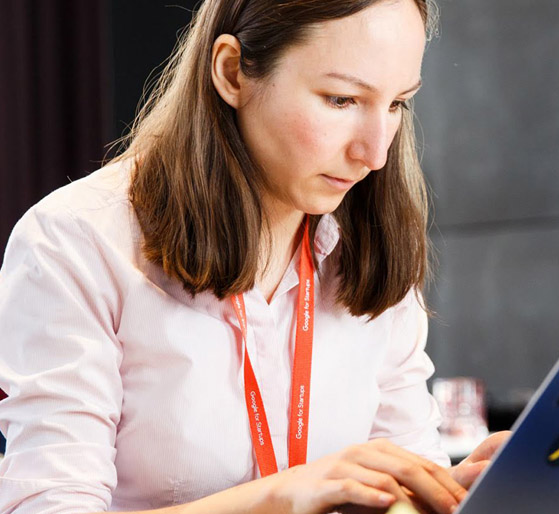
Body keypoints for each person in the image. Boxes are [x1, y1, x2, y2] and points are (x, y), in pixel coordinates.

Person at [0, 0, 509, 513]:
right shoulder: (74, 242)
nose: (375, 154)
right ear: (230, 72)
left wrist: (450, 491)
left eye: (398, 104)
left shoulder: (370, 244)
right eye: (341, 100)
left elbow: (400, 481)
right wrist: (282, 496)